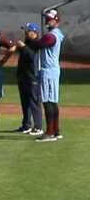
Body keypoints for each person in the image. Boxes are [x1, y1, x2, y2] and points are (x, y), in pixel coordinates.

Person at [33, 9, 64, 141]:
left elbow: (39, 44)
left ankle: (50, 132)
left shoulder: (51, 35)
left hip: (48, 70)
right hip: (52, 70)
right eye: (46, 18)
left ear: (56, 20)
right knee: (52, 101)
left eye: (50, 19)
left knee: (48, 101)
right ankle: (56, 130)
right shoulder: (56, 34)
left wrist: (31, 40)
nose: (47, 21)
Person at [11, 23, 44, 135]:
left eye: (27, 31)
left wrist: (23, 47)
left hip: (32, 77)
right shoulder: (27, 42)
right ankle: (26, 125)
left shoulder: (36, 44)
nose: (25, 33)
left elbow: (32, 57)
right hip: (23, 76)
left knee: (34, 102)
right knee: (25, 102)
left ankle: (38, 127)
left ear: (34, 32)